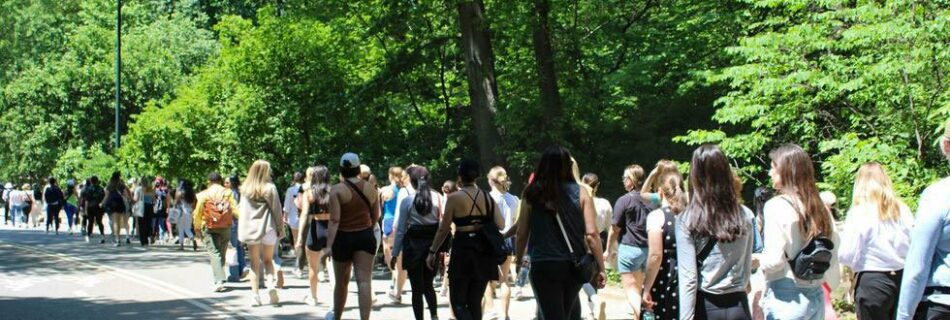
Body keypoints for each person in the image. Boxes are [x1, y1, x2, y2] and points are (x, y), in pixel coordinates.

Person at [513, 147, 607, 320]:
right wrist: (601, 267)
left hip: (543, 264)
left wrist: (519, 261)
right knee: (565, 312)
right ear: (567, 166)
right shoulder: (581, 192)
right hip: (573, 264)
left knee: (552, 314)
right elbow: (592, 234)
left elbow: (521, 233)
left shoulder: (531, 192)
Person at [760, 144, 841, 320]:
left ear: (786, 171)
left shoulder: (776, 206)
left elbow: (774, 261)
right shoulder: (820, 206)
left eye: (773, 167)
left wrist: (758, 261)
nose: (769, 172)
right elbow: (834, 252)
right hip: (816, 295)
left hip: (787, 298)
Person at [675, 144, 755, 320]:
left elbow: (688, 279)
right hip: (739, 306)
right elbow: (746, 264)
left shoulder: (687, 219)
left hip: (705, 307)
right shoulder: (745, 214)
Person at [425, 159, 503, 320]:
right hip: (483, 250)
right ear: (478, 176)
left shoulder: (454, 198)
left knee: (458, 301)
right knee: (475, 301)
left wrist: (433, 251)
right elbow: (501, 224)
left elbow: (444, 228)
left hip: (463, 248)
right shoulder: (488, 197)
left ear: (460, 176)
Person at [836, 163, 912, 320]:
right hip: (902, 278)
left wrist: (856, 265)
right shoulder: (902, 209)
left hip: (872, 280)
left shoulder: (860, 211)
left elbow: (846, 254)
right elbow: (913, 243)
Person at [897, 119, 950, 320]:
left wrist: (904, 315)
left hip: (942, 305)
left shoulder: (938, 195)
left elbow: (917, 266)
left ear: (946, 146)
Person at [325, 153, 380, 320]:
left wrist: (328, 245)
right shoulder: (371, 189)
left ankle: (337, 316)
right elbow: (376, 216)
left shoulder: (336, 190)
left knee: (341, 282)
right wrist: (366, 228)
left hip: (342, 238)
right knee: (364, 281)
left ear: (341, 169)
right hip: (365, 236)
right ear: (358, 168)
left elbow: (334, 220)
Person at [391, 166, 445, 320]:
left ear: (412, 182)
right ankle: (434, 315)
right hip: (432, 246)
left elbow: (401, 229)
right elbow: (442, 225)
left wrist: (395, 253)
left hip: (413, 247)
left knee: (416, 288)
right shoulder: (438, 198)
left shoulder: (407, 201)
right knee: (429, 284)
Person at [606, 164, 654, 319]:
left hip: (629, 249)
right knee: (639, 288)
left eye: (625, 178)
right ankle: (637, 316)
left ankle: (647, 314)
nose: (623, 181)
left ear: (632, 181)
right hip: (649, 250)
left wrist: (609, 248)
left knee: (631, 291)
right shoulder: (652, 200)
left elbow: (615, 229)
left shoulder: (624, 201)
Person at [640, 168, 687, 320]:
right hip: (689, 280)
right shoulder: (692, 215)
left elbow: (655, 256)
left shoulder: (657, 216)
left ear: (660, 191)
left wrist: (646, 288)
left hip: (665, 280)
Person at [236, 160, 285, 306]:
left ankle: (255, 296)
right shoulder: (270, 188)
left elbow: (242, 211)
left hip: (251, 230)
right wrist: (280, 228)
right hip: (268, 228)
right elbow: (277, 209)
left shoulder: (245, 189)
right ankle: (270, 285)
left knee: (254, 263)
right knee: (268, 261)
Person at [193, 172, 240, 293]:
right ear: (221, 180)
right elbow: (234, 208)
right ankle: (221, 276)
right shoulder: (227, 192)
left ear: (209, 181)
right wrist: (243, 220)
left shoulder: (204, 194)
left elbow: (198, 211)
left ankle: (219, 280)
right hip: (225, 226)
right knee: (222, 252)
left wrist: (197, 226)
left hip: (209, 226)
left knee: (214, 253)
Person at [483, 166, 519, 320]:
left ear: (491, 181)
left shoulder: (487, 198)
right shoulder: (514, 199)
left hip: (491, 240)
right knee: (504, 279)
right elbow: (515, 222)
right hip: (509, 239)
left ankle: (490, 309)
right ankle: (504, 314)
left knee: (485, 277)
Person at [295, 166, 332, 306]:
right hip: (332, 230)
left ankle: (313, 297)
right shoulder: (334, 192)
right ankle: (336, 297)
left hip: (316, 229)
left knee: (313, 267)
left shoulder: (309, 193)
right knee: (333, 266)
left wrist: (299, 237)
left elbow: (304, 214)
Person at [580, 172, 613, 320]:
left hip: (580, 242)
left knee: (579, 278)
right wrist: (609, 249)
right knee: (594, 278)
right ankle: (592, 312)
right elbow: (610, 227)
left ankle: (594, 302)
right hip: (598, 241)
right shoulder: (604, 203)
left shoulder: (578, 200)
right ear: (597, 186)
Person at [384, 167, 410, 304]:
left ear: (391, 175)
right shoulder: (403, 188)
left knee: (390, 256)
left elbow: (385, 196)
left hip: (391, 222)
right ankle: (396, 282)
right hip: (398, 223)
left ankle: (396, 281)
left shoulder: (393, 189)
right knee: (399, 258)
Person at [283, 172, 306, 279]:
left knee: (297, 240)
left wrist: (285, 216)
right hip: (306, 218)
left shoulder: (290, 190)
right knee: (305, 241)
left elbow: (287, 205)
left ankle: (299, 264)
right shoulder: (307, 188)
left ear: (293, 179)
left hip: (294, 218)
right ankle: (303, 263)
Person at [225, 175, 248, 282]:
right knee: (239, 247)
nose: (225, 185)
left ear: (232, 183)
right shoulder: (241, 193)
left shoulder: (230, 194)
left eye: (227, 182)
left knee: (232, 248)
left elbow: (229, 209)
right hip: (241, 223)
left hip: (233, 222)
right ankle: (243, 267)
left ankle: (234, 274)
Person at [103, 172, 132, 246]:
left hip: (112, 204)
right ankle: (118, 237)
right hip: (120, 204)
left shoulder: (109, 186)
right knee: (118, 222)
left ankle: (117, 239)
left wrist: (102, 203)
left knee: (114, 222)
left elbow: (106, 196)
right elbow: (126, 196)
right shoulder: (122, 186)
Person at [81, 177, 106, 243]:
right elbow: (104, 197)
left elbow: (86, 200)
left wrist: (86, 209)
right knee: (99, 221)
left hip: (90, 207)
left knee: (90, 222)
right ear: (97, 181)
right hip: (98, 207)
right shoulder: (101, 188)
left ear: (91, 181)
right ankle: (102, 235)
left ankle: (89, 235)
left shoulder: (88, 189)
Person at [175, 179, 198, 251]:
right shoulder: (192, 193)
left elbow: (176, 202)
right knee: (187, 228)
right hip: (189, 211)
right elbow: (195, 203)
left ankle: (181, 245)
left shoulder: (179, 192)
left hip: (181, 212)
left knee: (181, 228)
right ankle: (192, 239)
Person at [133, 177, 155, 247]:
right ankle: (150, 235)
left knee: (141, 224)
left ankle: (143, 241)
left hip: (141, 207)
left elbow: (135, 199)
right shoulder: (151, 189)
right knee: (148, 223)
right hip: (149, 207)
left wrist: (132, 200)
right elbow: (153, 199)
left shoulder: (138, 189)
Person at [153, 177, 172, 244]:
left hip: (162, 208)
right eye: (156, 182)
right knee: (154, 223)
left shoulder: (165, 190)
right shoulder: (154, 189)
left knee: (161, 223)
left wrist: (168, 208)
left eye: (158, 182)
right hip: (155, 208)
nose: (157, 183)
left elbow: (168, 199)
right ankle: (154, 237)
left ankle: (161, 238)